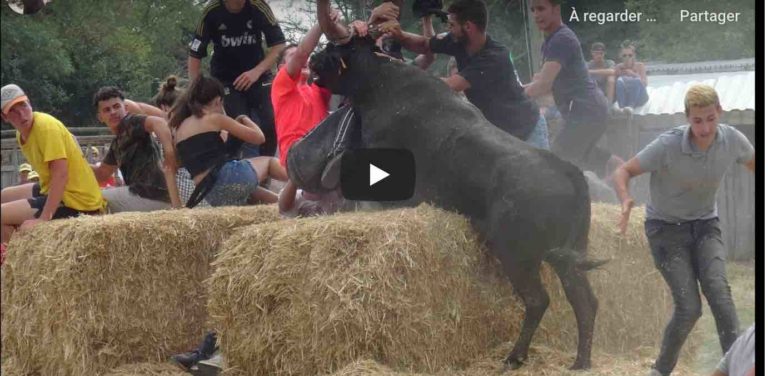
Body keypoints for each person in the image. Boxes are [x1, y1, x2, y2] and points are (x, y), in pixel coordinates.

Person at [612, 85, 755, 376]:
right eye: (698, 121)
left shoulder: (733, 141)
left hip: (705, 226)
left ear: (720, 113)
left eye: (711, 119)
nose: (705, 128)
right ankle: (660, 371)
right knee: (689, 307)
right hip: (665, 230)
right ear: (687, 118)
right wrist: (626, 198)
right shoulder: (667, 145)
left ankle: (735, 371)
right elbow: (623, 170)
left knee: (721, 296)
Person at [378, 0, 549, 149]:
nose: (448, 28)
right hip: (502, 134)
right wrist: (399, 35)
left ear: (468, 26)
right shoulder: (457, 40)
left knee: (540, 185)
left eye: (451, 24)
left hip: (529, 131)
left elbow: (451, 85)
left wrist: (401, 73)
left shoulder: (494, 57)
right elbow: (425, 44)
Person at [524, 0, 624, 178]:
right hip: (588, 109)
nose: (536, 14)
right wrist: (523, 90)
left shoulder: (561, 39)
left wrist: (512, 94)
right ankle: (623, 171)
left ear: (556, 9)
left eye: (541, 8)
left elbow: (543, 85)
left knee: (557, 161)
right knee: (586, 156)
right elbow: (544, 85)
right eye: (532, 10)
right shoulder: (550, 41)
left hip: (585, 110)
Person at [1, 84, 104, 245]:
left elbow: (61, 175)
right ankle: (16, 254)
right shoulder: (20, 134)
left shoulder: (45, 127)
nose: (21, 114)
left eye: (23, 105)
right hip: (54, 189)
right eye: (13, 110)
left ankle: (11, 265)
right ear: (4, 117)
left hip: (78, 200)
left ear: (30, 103)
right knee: (5, 194)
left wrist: (44, 218)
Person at [168, 74, 288, 208]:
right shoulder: (214, 119)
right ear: (218, 101)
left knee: (249, 191)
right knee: (269, 163)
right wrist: (244, 118)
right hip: (226, 177)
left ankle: (285, 204)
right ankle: (302, 180)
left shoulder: (178, 130)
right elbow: (259, 138)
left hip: (209, 193)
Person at [188, 0, 287, 159]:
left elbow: (279, 44)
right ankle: (229, 167)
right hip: (226, 80)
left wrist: (257, 71)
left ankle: (266, 169)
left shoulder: (258, 6)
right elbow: (194, 55)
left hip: (258, 75)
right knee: (237, 125)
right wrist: (195, 91)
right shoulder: (211, 12)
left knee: (270, 120)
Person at [92, 87, 182, 213]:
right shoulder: (116, 143)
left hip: (149, 195)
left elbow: (159, 122)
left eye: (116, 106)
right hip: (146, 197)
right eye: (107, 110)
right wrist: (76, 161)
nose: (113, 112)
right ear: (100, 117)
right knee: (95, 197)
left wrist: (169, 154)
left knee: (93, 199)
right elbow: (102, 173)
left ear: (126, 108)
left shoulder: (130, 122)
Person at [613, 42, 648, 109]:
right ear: (621, 56)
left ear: (634, 55)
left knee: (636, 80)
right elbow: (615, 86)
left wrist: (634, 74)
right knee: (619, 81)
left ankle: (630, 107)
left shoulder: (640, 65)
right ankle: (622, 107)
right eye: (624, 55)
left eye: (630, 55)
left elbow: (645, 84)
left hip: (640, 97)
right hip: (626, 98)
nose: (627, 57)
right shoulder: (618, 67)